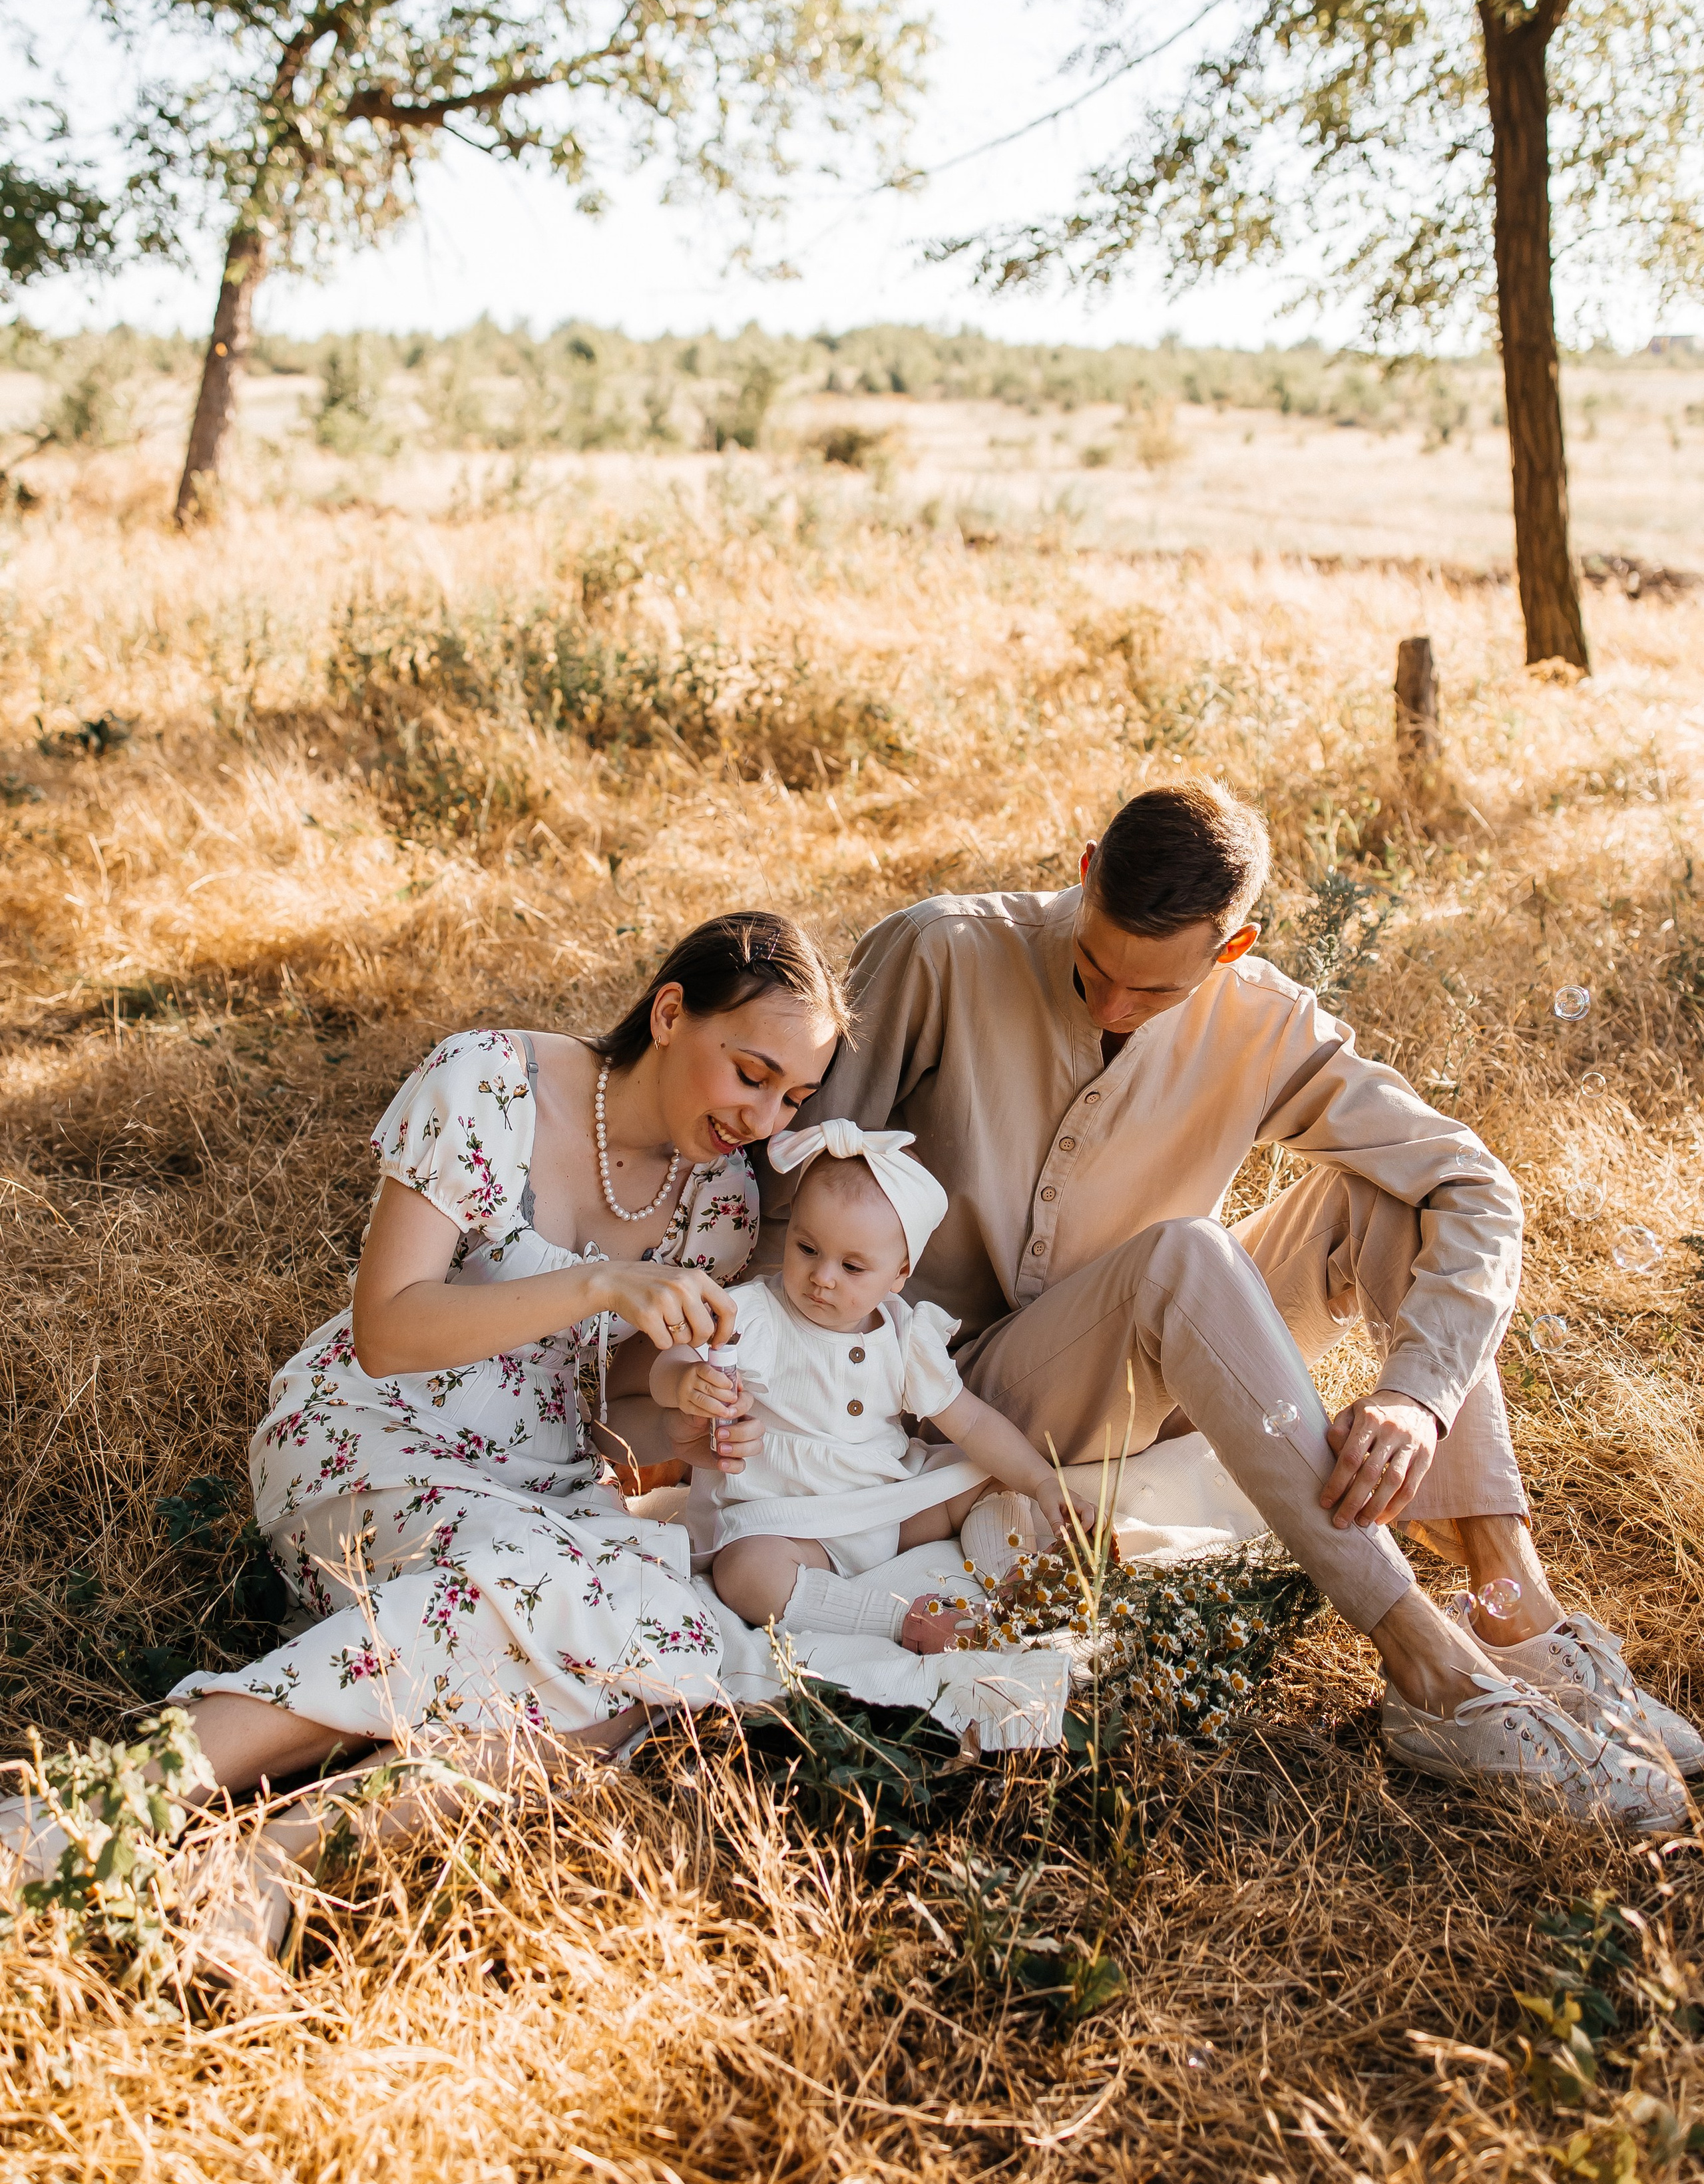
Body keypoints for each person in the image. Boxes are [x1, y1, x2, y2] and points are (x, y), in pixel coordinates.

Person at [767, 781, 1699, 1823]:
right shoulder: (938, 951)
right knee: (1184, 1256)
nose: (1113, 1005)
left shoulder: (1265, 1018)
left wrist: (1418, 1397)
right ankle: (1432, 1670)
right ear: (1085, 875)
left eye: (1153, 993)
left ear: (1233, 943)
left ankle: (1513, 1607)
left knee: (1379, 1199)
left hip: (1157, 1360)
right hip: (952, 1386)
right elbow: (794, 1179)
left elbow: (1471, 1184)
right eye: (1094, 966)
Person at [1, 910, 842, 1965]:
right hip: (373, 1434)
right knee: (551, 1600)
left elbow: (616, 1408)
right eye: (751, 1073)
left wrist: (688, 1398)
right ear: (672, 1012)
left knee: (646, 1677)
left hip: (538, 1485)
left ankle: (276, 1853)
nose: (762, 1119)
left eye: (792, 1099)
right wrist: (594, 1280)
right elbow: (389, 1327)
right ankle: (106, 1805)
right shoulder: (487, 1080)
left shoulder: (717, 1200)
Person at [652, 1120, 1069, 1630]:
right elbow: (671, 1360)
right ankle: (898, 1620)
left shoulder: (904, 1335)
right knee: (745, 1573)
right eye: (807, 1249)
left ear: (899, 1274)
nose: (822, 1277)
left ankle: (1017, 1582)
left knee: (987, 1475)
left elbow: (975, 1424)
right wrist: (682, 1383)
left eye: (852, 1267)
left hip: (886, 1508)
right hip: (789, 1520)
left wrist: (1042, 1481)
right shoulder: (755, 1315)